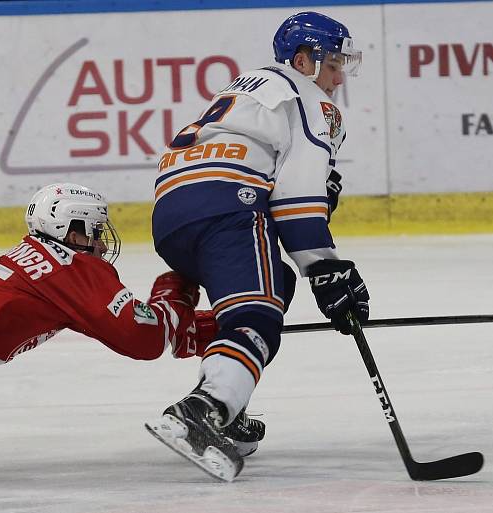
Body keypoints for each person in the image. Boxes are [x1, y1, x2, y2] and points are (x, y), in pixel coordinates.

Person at [0, 182, 258, 477]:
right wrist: (176, 288)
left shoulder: (45, 263)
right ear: (71, 229)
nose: (99, 244)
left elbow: (122, 328)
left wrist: (219, 329)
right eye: (94, 231)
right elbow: (143, 337)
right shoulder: (70, 266)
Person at [145, 11, 370, 481]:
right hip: (229, 206)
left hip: (172, 216)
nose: (339, 76)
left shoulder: (247, 90)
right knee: (258, 317)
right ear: (303, 60)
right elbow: (297, 197)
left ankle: (228, 397)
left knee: (274, 284)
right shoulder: (310, 99)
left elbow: (272, 175)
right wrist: (327, 269)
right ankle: (203, 409)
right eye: (332, 64)